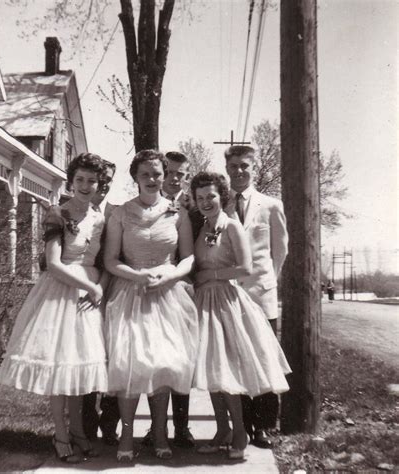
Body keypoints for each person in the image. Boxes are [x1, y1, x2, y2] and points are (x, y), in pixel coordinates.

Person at [0, 153, 108, 463]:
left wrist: (95, 287)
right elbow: (55, 264)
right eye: (80, 180)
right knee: (60, 368)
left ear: (99, 184)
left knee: (77, 368)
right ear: (71, 182)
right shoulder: (57, 213)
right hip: (60, 293)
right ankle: (61, 435)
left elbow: (97, 260)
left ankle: (78, 433)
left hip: (87, 298)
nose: (85, 186)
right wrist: (91, 286)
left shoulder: (99, 218)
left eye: (92, 181)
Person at [104, 149, 199, 462]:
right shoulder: (120, 212)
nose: (152, 179)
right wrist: (137, 275)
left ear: (165, 175)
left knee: (163, 366)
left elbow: (187, 257)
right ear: (135, 177)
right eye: (145, 174)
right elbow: (110, 260)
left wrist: (171, 276)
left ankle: (160, 433)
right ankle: (127, 434)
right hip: (131, 293)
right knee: (130, 365)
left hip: (168, 295)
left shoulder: (177, 212)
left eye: (157, 173)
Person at [191, 171, 291, 461]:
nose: (206, 201)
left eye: (211, 195)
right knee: (209, 369)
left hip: (226, 301)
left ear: (221, 196)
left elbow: (247, 268)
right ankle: (221, 429)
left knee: (226, 370)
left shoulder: (232, 226)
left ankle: (239, 432)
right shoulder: (202, 227)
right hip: (203, 303)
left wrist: (213, 273)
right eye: (200, 198)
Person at [224, 145, 289, 449]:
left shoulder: (270, 205)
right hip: (230, 297)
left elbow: (280, 250)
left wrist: (266, 281)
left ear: (254, 168)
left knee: (263, 359)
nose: (238, 171)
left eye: (244, 166)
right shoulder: (221, 206)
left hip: (260, 295)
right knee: (238, 361)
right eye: (233, 166)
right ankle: (243, 425)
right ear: (227, 169)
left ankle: (263, 427)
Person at [142, 151, 196, 449]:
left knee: (180, 361)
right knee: (155, 362)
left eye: (182, 174)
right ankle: (155, 426)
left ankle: (183, 426)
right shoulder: (148, 202)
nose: (176, 178)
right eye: (171, 172)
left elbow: (194, 251)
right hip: (153, 289)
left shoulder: (194, 206)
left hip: (184, 291)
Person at [81, 159, 120, 446]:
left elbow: (114, 259)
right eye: (101, 179)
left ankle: (109, 424)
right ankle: (85, 425)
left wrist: (100, 289)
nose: (103, 185)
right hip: (81, 293)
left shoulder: (114, 215)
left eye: (108, 181)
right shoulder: (72, 210)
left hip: (110, 292)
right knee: (86, 357)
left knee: (112, 358)